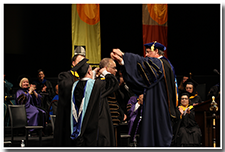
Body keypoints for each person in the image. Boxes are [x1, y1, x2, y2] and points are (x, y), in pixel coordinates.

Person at [111, 41, 178, 147]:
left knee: (158, 137)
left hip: (160, 107)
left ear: (156, 51)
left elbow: (143, 62)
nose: (146, 55)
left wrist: (124, 55)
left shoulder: (161, 63)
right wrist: (122, 63)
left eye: (148, 52)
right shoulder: (161, 65)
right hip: (155, 104)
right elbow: (141, 78)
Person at [70, 58, 119, 146]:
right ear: (89, 72)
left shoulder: (75, 86)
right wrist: (105, 72)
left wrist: (92, 76)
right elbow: (113, 83)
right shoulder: (97, 85)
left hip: (84, 129)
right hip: (97, 129)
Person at [53, 54, 85, 146]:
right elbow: (67, 87)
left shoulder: (87, 77)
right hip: (67, 116)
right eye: (79, 63)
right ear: (73, 63)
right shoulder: (65, 75)